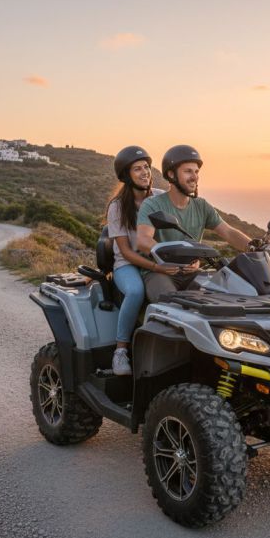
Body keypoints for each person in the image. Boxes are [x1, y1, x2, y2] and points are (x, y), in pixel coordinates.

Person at [136, 144, 252, 303]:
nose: (195, 176)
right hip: (160, 272)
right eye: (188, 171)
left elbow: (228, 232)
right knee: (171, 305)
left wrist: (253, 247)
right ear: (171, 174)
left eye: (196, 172)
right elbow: (143, 240)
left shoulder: (201, 206)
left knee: (223, 299)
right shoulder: (152, 204)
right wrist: (175, 257)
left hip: (192, 272)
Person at [106, 145, 177, 375]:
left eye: (146, 167)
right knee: (136, 291)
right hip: (127, 265)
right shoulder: (117, 207)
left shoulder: (158, 197)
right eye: (137, 169)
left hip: (155, 260)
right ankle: (120, 351)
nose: (145, 172)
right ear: (126, 175)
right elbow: (125, 252)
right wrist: (158, 267)